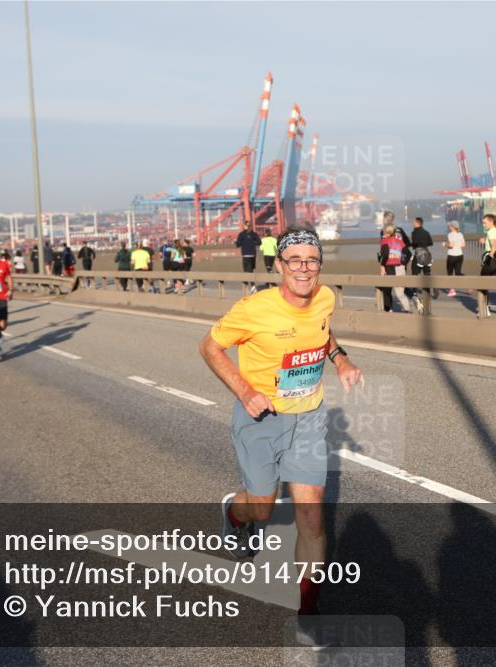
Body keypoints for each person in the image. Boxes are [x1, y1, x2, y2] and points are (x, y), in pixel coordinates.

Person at [199, 225, 363, 634]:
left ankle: (309, 609)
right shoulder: (254, 309)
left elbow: (322, 334)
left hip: (308, 417)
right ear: (279, 265)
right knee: (262, 508)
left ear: (320, 265)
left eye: (312, 260)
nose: (304, 269)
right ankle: (236, 518)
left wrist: (341, 359)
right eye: (295, 260)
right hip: (261, 419)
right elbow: (209, 347)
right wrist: (245, 390)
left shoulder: (324, 297)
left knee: (311, 517)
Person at [378, 224, 413, 313]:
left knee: (387, 290)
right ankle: (407, 309)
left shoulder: (384, 241)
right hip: (400, 267)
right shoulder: (399, 241)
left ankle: (388, 309)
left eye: (384, 231)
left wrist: (382, 265)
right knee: (400, 293)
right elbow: (409, 254)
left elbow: (385, 255)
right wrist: (403, 263)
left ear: (386, 232)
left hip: (389, 267)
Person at [410, 217, 435, 305]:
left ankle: (415, 293)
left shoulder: (414, 233)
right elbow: (431, 243)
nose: (413, 223)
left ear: (417, 223)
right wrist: (424, 243)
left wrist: (413, 244)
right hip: (427, 253)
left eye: (414, 222)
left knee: (415, 274)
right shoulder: (426, 232)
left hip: (418, 254)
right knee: (427, 273)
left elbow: (414, 243)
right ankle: (428, 291)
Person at [443, 221, 465, 297]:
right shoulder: (460, 234)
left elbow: (451, 246)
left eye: (450, 226)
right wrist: (457, 245)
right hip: (460, 255)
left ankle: (452, 290)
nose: (449, 227)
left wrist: (445, 244)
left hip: (452, 256)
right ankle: (469, 284)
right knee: (458, 273)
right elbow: (463, 245)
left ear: (452, 227)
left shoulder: (450, 235)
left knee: (450, 273)